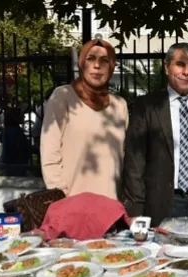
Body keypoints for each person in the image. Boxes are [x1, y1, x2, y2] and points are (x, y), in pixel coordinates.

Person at [122, 43, 188, 226]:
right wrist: (134, 209)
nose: (186, 72)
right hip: (161, 203)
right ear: (167, 67)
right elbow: (135, 161)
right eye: (180, 64)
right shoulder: (147, 107)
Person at [40, 39, 129, 200]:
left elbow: (125, 156)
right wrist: (59, 194)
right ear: (81, 63)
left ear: (111, 66)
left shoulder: (119, 105)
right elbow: (49, 151)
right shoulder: (63, 96)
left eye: (104, 61)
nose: (97, 66)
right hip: (71, 203)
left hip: (111, 206)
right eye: (91, 59)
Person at [0, 107, 33, 177]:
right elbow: (22, 148)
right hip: (15, 164)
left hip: (9, 163)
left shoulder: (7, 129)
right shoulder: (15, 131)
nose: (24, 116)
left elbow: (0, 138)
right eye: (22, 114)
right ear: (16, 117)